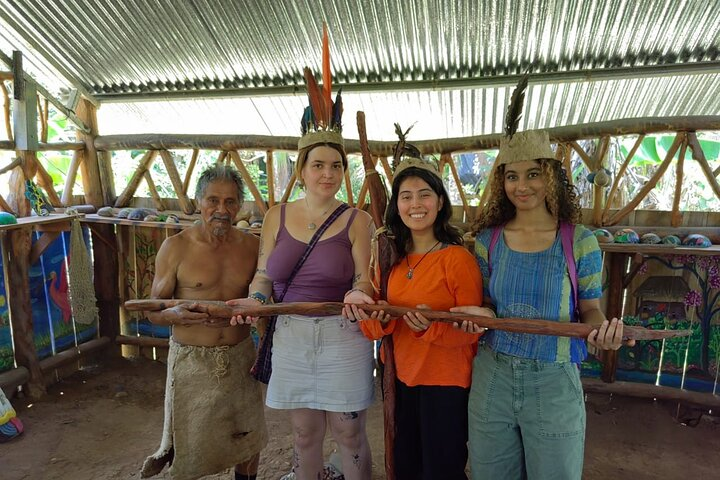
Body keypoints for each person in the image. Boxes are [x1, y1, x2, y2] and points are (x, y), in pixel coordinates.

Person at [452, 129, 633, 480]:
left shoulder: (580, 241)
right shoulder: (488, 242)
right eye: (512, 176)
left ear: (549, 176)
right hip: (493, 378)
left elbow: (590, 309)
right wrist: (478, 316)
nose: (522, 185)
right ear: (501, 182)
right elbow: (489, 306)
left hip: (553, 382)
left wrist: (601, 331)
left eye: (533, 174)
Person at [229, 66, 375, 480]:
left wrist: (358, 294)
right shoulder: (275, 216)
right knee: (305, 433)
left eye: (335, 166)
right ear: (302, 169)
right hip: (290, 332)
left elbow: (363, 278)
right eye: (318, 165)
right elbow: (263, 276)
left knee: (348, 432)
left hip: (342, 335)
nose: (327, 174)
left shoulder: (357, 220)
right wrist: (256, 300)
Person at [345, 151, 489, 480]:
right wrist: (380, 320)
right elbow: (372, 328)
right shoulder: (389, 259)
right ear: (397, 205)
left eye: (424, 195)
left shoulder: (457, 260)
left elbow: (474, 330)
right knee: (406, 464)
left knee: (442, 467)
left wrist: (430, 330)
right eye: (406, 197)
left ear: (440, 202)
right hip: (399, 379)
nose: (416, 204)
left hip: (447, 383)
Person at [141, 164, 267, 480]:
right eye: (213, 201)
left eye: (230, 202)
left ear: (240, 205)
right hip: (191, 364)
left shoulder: (253, 247)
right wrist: (173, 315)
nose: (221, 210)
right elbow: (152, 310)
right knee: (189, 445)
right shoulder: (176, 247)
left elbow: (264, 302)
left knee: (247, 438)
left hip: (240, 359)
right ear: (199, 201)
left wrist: (264, 346)